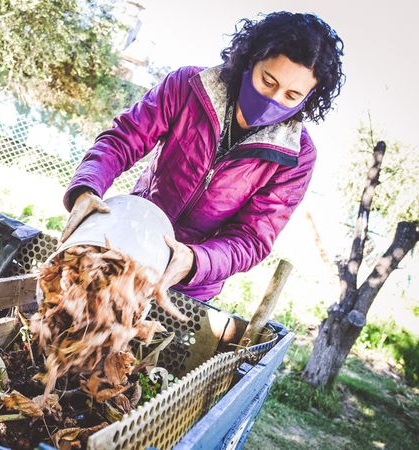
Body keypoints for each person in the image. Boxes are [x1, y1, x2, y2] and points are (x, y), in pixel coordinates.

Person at [60, 12, 344, 304]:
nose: (274, 99)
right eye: (268, 81)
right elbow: (122, 140)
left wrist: (196, 261)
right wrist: (86, 189)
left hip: (188, 285)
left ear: (308, 98)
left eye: (292, 96)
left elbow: (252, 238)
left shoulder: (297, 157)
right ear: (250, 59)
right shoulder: (189, 86)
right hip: (129, 241)